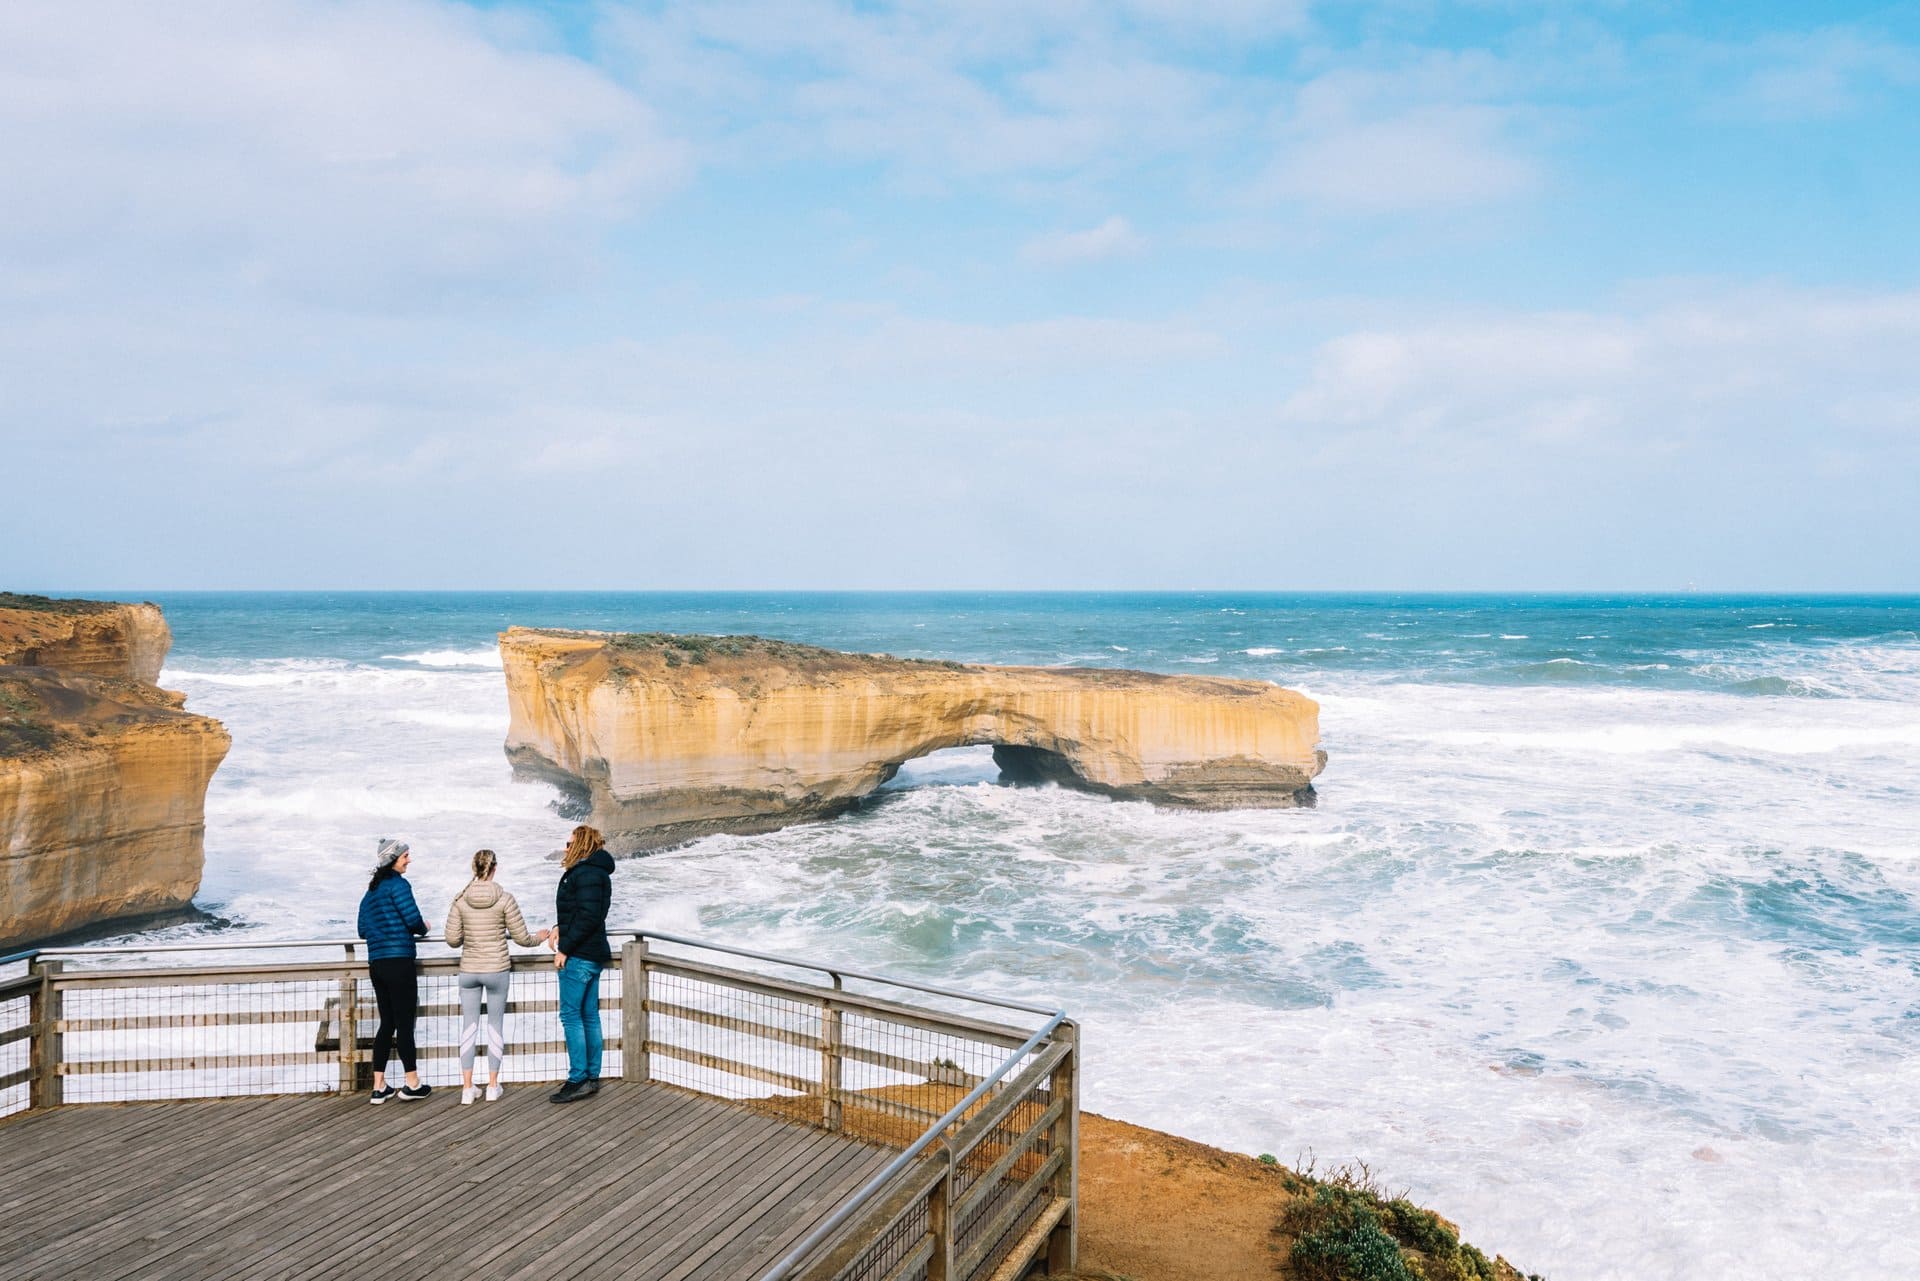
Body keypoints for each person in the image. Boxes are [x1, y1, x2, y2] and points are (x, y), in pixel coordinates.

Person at [444, 848, 550, 1105]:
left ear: (474, 868)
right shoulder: (505, 899)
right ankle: (492, 1085)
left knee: (469, 1026)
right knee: (495, 1026)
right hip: (497, 970)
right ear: (494, 868)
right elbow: (523, 938)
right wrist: (541, 937)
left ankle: (467, 1088)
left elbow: (452, 940)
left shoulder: (460, 899)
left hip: (469, 970)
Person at [356, 838, 432, 1103]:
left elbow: (362, 930)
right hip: (399, 961)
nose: (409, 860)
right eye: (405, 856)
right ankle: (412, 1083)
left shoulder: (371, 892)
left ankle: (379, 1086)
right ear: (393, 860)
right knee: (404, 1023)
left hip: (377, 964)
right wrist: (425, 927)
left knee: (386, 1023)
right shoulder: (399, 885)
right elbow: (413, 919)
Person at [548, 824, 614, 1103]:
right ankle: (591, 1076)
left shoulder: (585, 873)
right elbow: (583, 913)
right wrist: (559, 926)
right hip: (593, 953)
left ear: (581, 845)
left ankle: (578, 1079)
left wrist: (564, 948)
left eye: (568, 842)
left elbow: (587, 917)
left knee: (571, 1017)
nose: (565, 847)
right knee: (588, 1015)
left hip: (580, 956)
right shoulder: (595, 872)